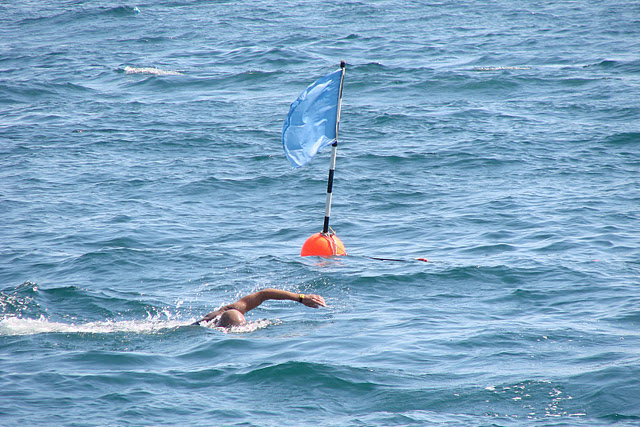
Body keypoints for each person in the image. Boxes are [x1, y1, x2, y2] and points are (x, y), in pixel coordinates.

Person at [192, 288, 327, 327]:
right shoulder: (213, 321)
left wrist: (301, 298)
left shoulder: (230, 310)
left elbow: (263, 294)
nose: (244, 325)